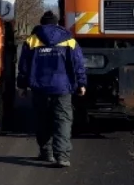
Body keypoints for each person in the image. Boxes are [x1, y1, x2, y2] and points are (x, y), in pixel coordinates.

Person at [17, 11, 87, 168]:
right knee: (62, 121)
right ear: (57, 24)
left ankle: (47, 153)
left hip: (39, 89)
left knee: (42, 121)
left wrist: (22, 86)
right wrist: (81, 83)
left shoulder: (32, 40)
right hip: (62, 88)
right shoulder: (69, 40)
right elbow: (78, 64)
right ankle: (62, 156)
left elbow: (24, 66)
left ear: (41, 24)